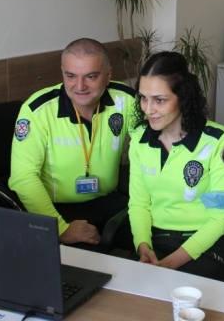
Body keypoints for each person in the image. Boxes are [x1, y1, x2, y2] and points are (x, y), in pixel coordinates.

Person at [9, 38, 135, 252]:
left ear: (108, 75)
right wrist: (61, 228)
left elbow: (154, 145)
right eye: (71, 76)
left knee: (154, 247)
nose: (80, 86)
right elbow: (23, 178)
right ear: (62, 73)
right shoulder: (38, 110)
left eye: (91, 76)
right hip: (57, 210)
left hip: (110, 201)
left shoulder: (126, 99)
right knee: (92, 264)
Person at [128, 51, 224, 282]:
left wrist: (167, 265)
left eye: (160, 100)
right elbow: (139, 204)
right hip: (156, 241)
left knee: (174, 290)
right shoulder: (139, 138)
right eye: (143, 98)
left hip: (207, 244)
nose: (148, 109)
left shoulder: (219, 141)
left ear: (183, 97)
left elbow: (219, 219)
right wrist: (143, 247)